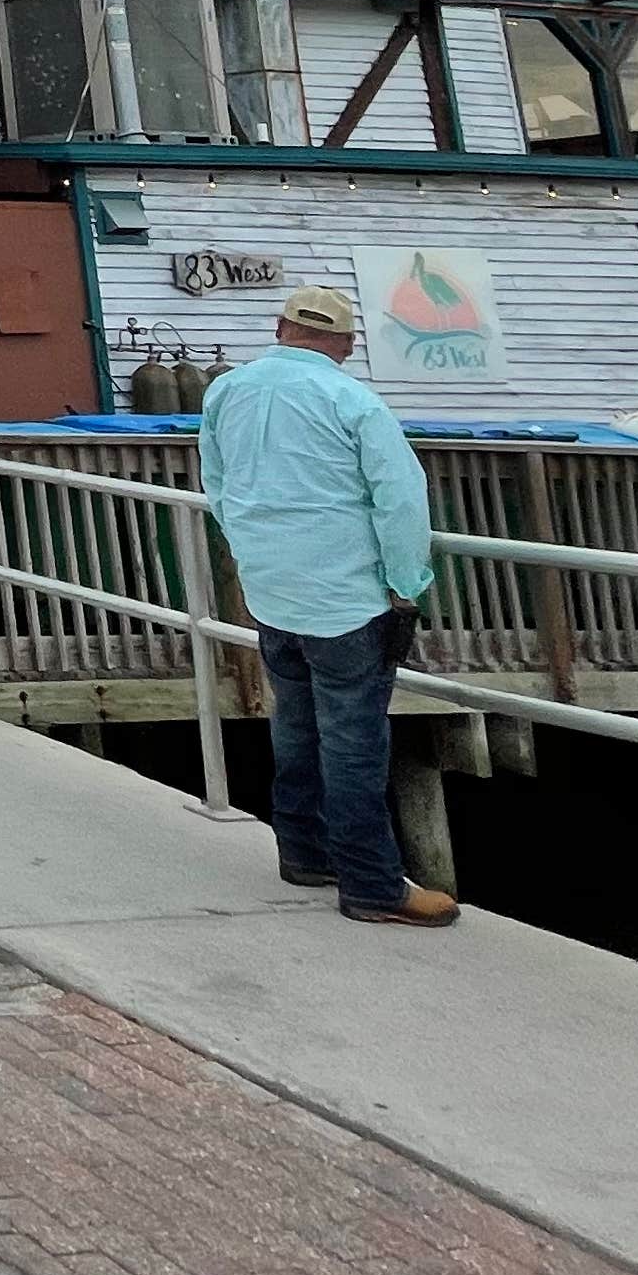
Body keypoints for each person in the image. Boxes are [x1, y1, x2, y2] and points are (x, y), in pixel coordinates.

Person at [197, 281, 457, 930]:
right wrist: (406, 584)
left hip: (271, 588)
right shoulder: (352, 398)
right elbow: (400, 497)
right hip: (345, 595)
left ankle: (305, 851)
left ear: (281, 328)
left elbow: (218, 483)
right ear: (345, 343)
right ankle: (371, 884)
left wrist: (255, 551)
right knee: (353, 739)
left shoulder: (227, 390)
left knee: (296, 723)